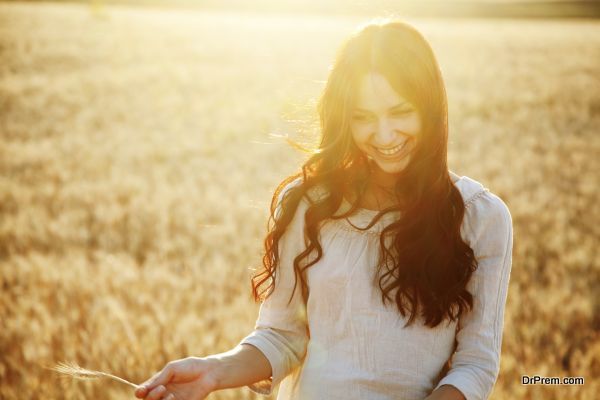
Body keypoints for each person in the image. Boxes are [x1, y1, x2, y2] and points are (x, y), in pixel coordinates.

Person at [134, 18, 513, 400]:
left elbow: (475, 364)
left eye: (400, 112)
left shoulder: (481, 219)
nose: (383, 136)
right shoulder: (307, 204)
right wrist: (213, 372)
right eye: (362, 117)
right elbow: (281, 336)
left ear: (431, 108)